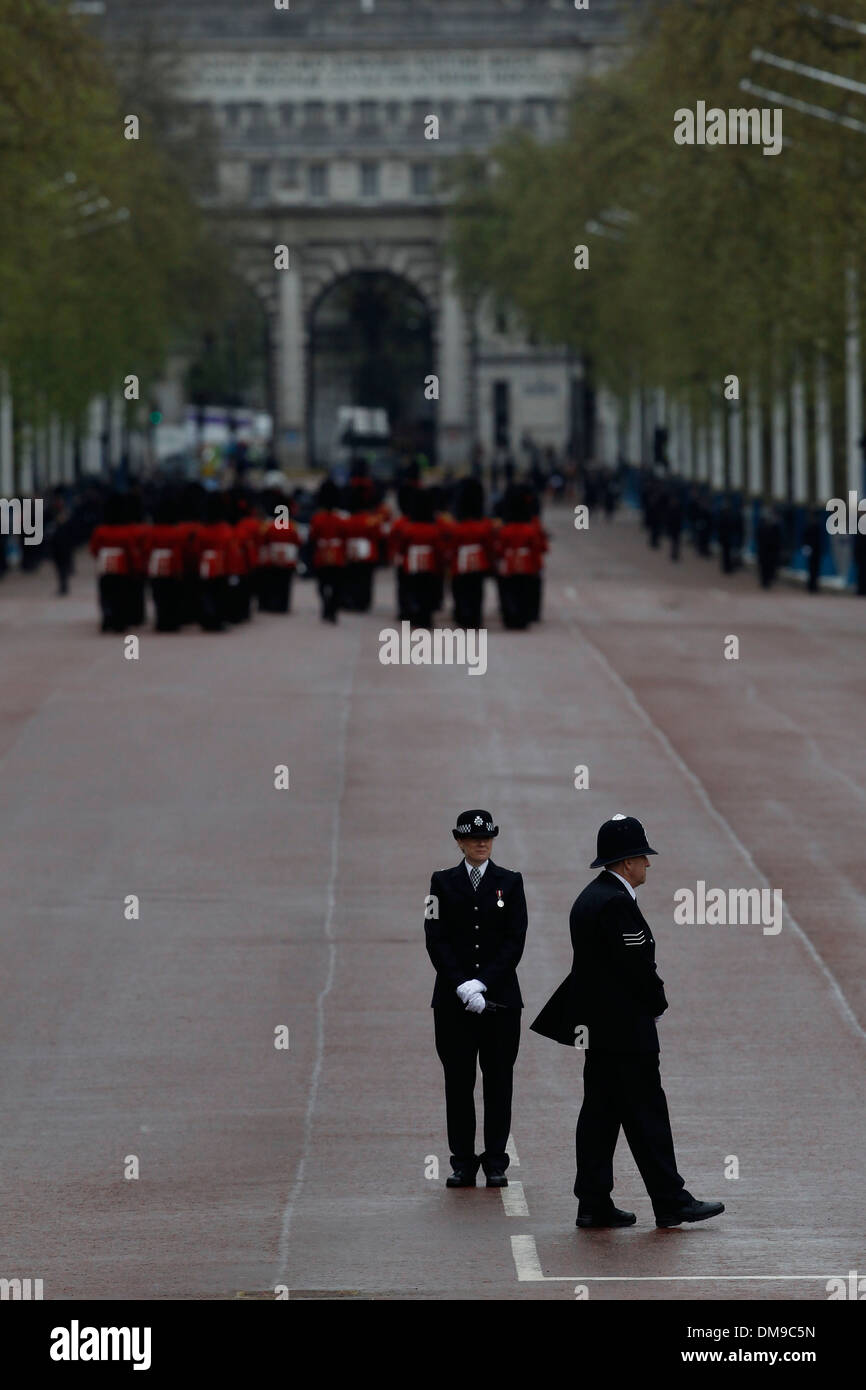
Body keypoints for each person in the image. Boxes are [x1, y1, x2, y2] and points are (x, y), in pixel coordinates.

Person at [530, 814, 725, 1230]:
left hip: (598, 1031)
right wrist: (658, 1001)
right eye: (642, 857)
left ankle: (593, 1203)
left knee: (599, 1117)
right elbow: (635, 966)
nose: (648, 865)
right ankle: (671, 1201)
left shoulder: (589, 897)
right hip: (625, 1032)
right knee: (648, 1115)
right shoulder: (617, 903)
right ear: (624, 862)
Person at [425, 810, 528, 1189]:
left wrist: (482, 983)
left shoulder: (511, 882)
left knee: (499, 1081)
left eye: (487, 837)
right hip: (453, 1005)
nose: (482, 843)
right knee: (458, 1081)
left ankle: (496, 1161)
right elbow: (435, 938)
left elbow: (515, 940)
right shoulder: (440, 883)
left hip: (501, 1002)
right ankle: (463, 1162)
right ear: (460, 842)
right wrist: (461, 986)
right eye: (473, 838)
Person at [446, 478, 494, 630]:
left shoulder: (455, 526)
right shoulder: (484, 525)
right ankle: (474, 616)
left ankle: (463, 615)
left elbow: (451, 546)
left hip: (461, 560)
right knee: (476, 589)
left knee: (460, 588)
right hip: (478, 559)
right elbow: (489, 545)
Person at [309, 478, 347, 623]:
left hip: (322, 553)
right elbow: (344, 537)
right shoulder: (340, 518)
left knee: (322, 584)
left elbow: (313, 537)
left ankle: (326, 606)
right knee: (337, 585)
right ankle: (332, 609)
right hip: (337, 553)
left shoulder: (317, 518)